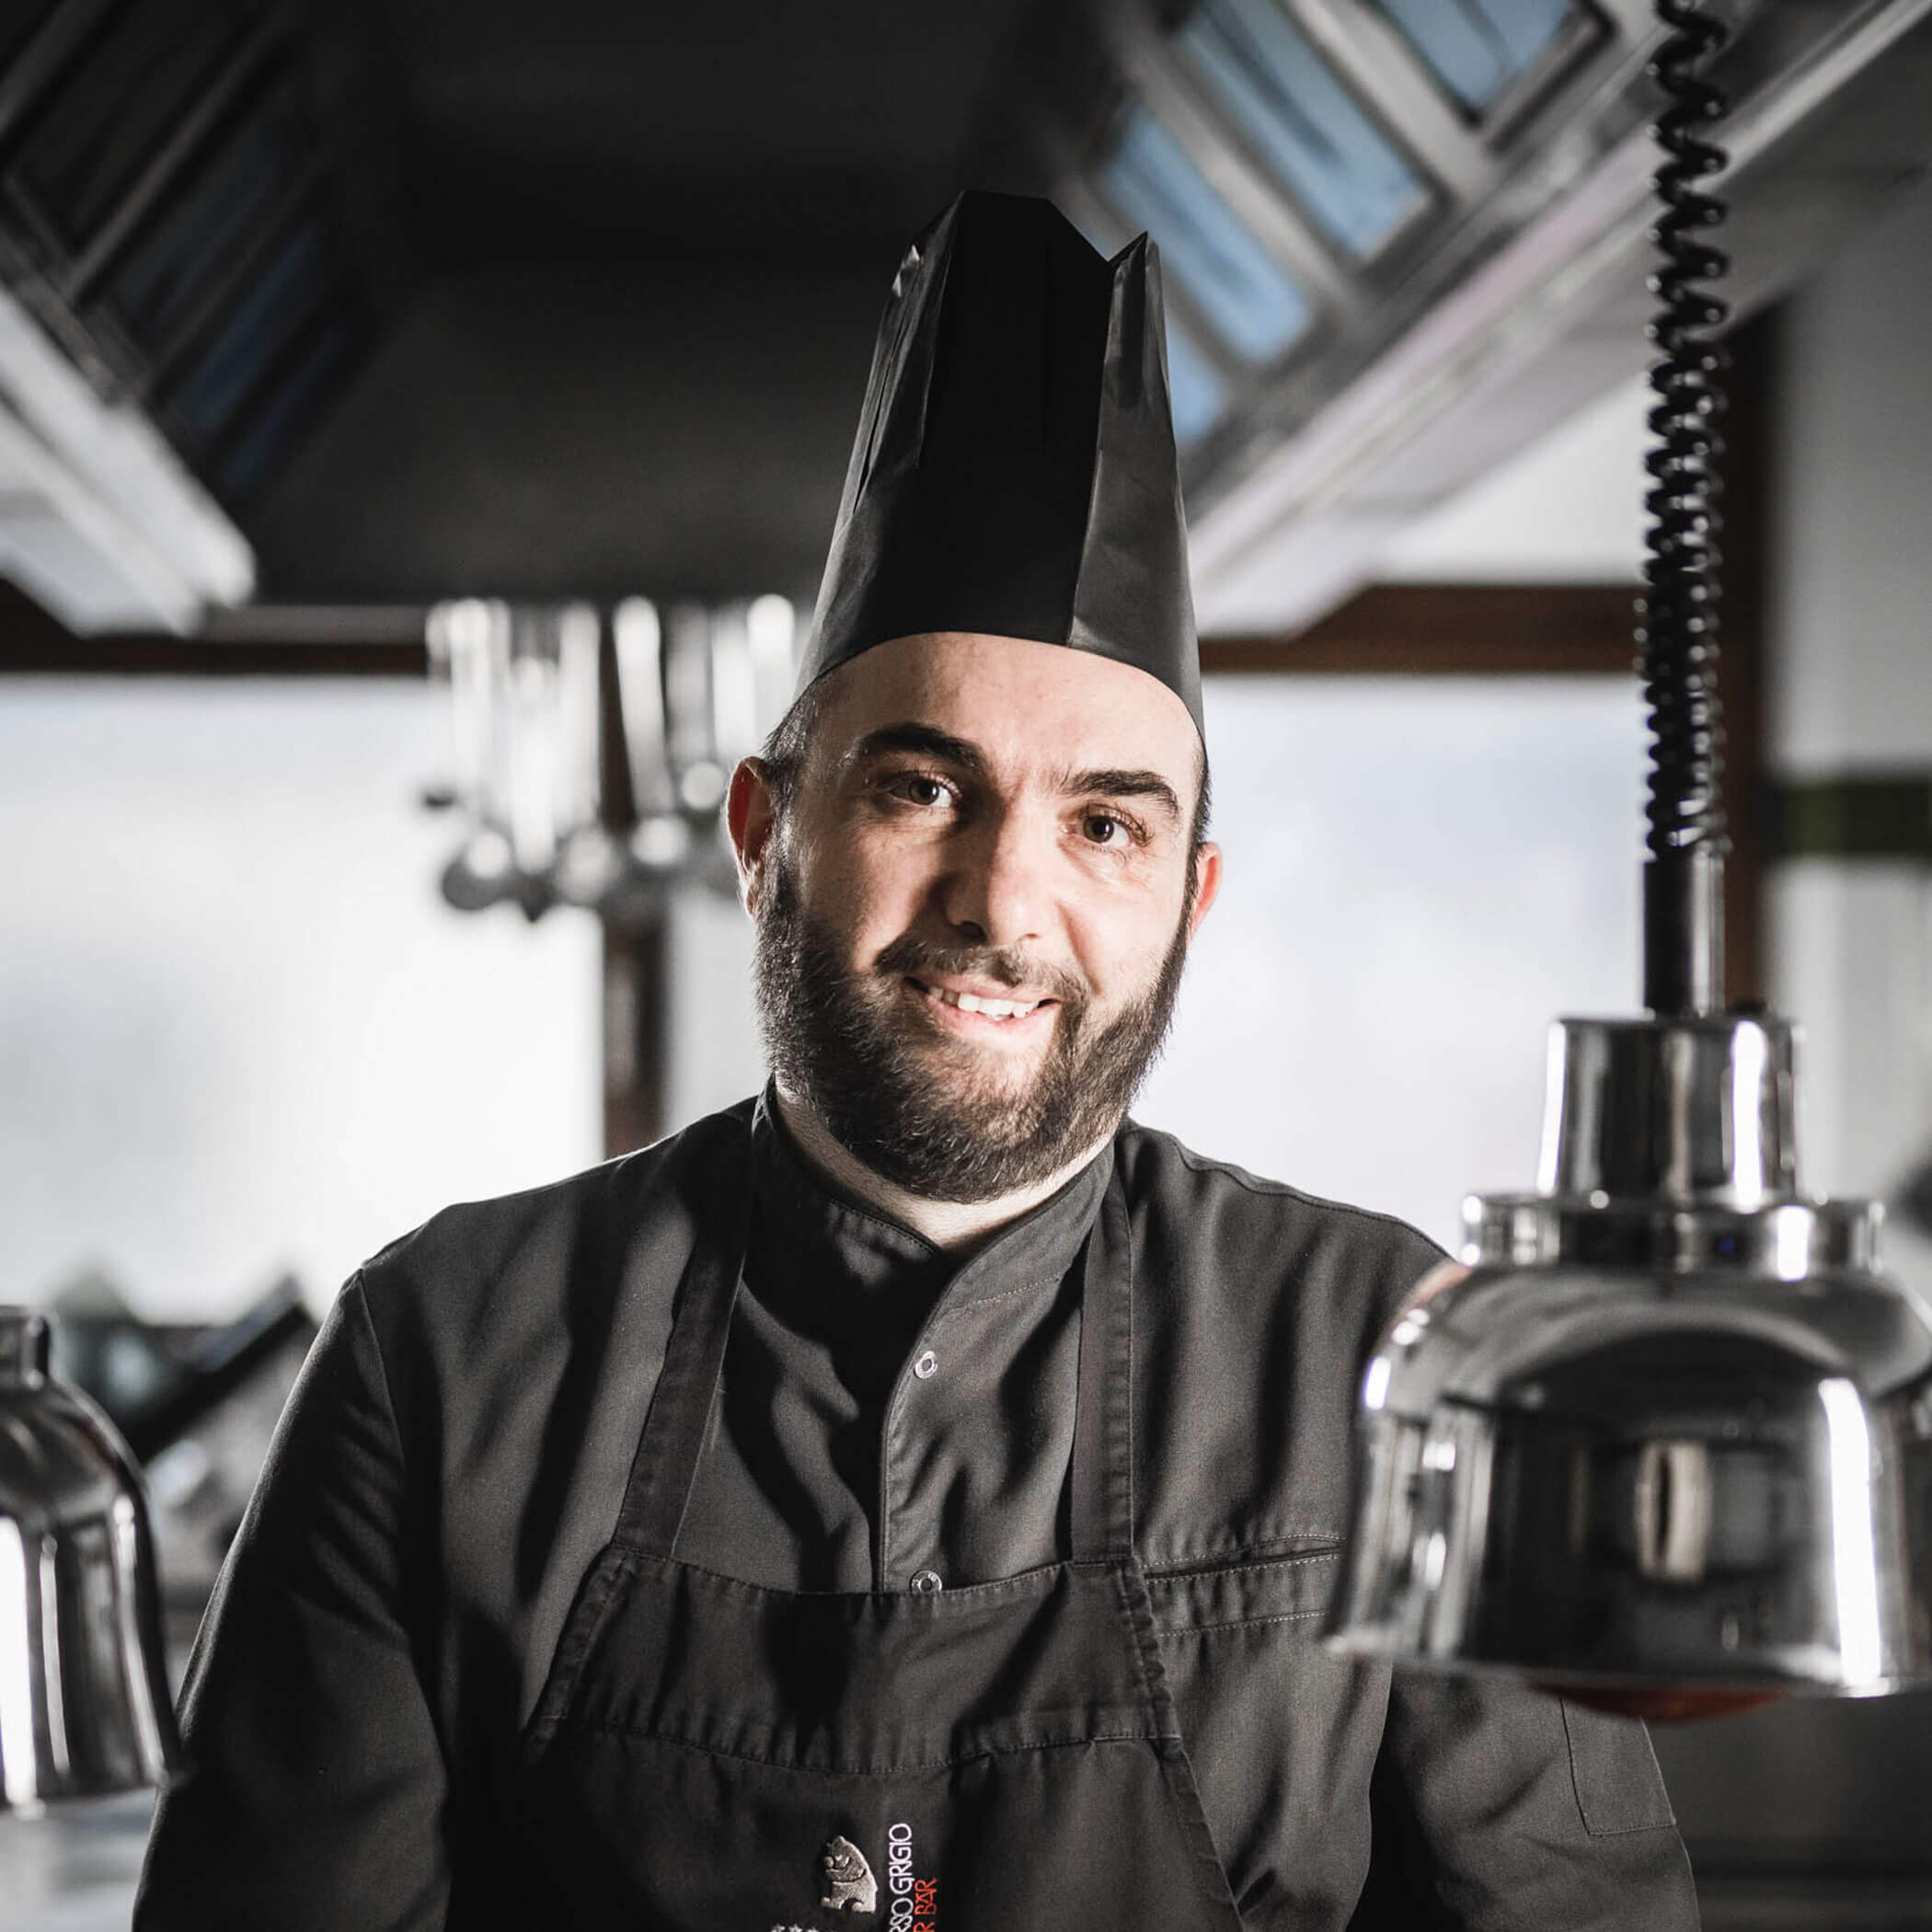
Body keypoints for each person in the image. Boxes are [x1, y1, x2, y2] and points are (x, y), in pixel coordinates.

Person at [134, 192, 1697, 1930]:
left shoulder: (1395, 1370)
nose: (1000, 900)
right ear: (763, 829)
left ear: (1189, 900)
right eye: (922, 788)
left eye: (1104, 823)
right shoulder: (440, 1359)